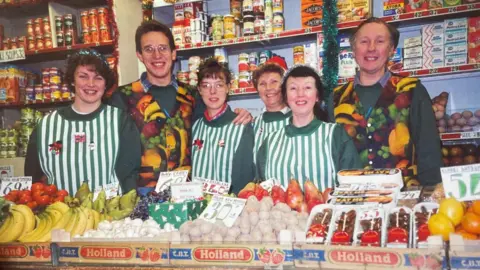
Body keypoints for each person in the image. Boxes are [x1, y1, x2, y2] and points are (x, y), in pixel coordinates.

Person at [107, 20, 252, 187]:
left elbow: (215, 116)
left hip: (187, 200)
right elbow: (117, 156)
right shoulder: (123, 98)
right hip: (142, 201)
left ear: (173, 53)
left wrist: (241, 115)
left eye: (163, 48)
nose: (157, 56)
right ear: (139, 55)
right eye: (149, 49)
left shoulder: (192, 95)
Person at [328, 17, 442, 186]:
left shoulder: (411, 90)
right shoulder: (336, 98)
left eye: (380, 41)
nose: (371, 48)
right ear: (353, 49)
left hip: (403, 199)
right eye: (364, 41)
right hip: (352, 200)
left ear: (391, 49)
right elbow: (330, 156)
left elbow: (429, 149)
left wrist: (432, 193)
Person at [25, 49, 141, 195]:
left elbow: (130, 175)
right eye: (83, 76)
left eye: (98, 78)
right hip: (60, 214)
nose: (90, 84)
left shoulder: (120, 121)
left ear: (106, 84)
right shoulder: (47, 125)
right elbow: (32, 178)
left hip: (109, 213)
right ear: (72, 81)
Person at [256, 65, 361, 190]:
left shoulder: (336, 135)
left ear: (317, 96)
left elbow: (354, 185)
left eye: (307, 87)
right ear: (286, 97)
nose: (300, 94)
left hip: (327, 210)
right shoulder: (270, 142)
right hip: (280, 210)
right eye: (293, 88)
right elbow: (261, 190)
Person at [191, 59, 254, 194]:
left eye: (219, 85)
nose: (212, 92)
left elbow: (244, 180)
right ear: (199, 90)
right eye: (206, 86)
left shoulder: (242, 126)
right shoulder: (194, 127)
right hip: (195, 209)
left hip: (230, 209)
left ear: (228, 87)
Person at [251, 57, 291, 163]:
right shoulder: (252, 125)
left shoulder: (299, 119)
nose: (268, 88)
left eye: (274, 82)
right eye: (262, 84)